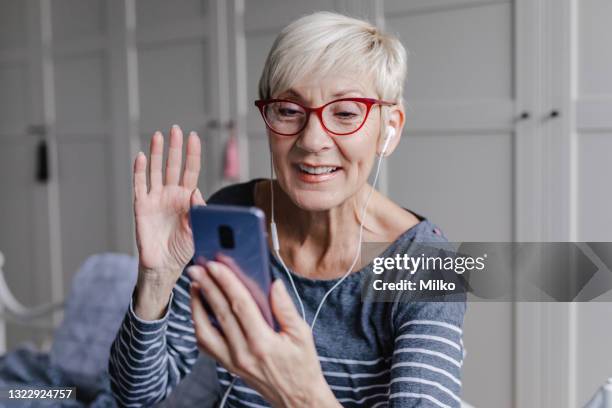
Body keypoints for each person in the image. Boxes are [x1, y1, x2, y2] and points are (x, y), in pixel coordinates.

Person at [109, 11, 466, 408]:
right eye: (289, 110)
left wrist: (301, 396)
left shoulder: (426, 264)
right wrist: (155, 280)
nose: (312, 140)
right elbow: (137, 396)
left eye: (345, 113)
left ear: (390, 128)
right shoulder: (234, 215)